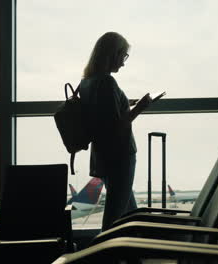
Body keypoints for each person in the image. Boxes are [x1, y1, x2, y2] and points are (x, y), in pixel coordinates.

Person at [79, 32, 152, 231]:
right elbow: (116, 126)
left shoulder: (87, 83)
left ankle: (132, 256)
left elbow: (102, 115)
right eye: (123, 56)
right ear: (112, 54)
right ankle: (104, 254)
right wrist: (141, 107)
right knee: (114, 220)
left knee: (130, 215)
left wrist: (124, 103)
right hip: (120, 156)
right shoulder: (107, 82)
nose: (123, 62)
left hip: (102, 156)